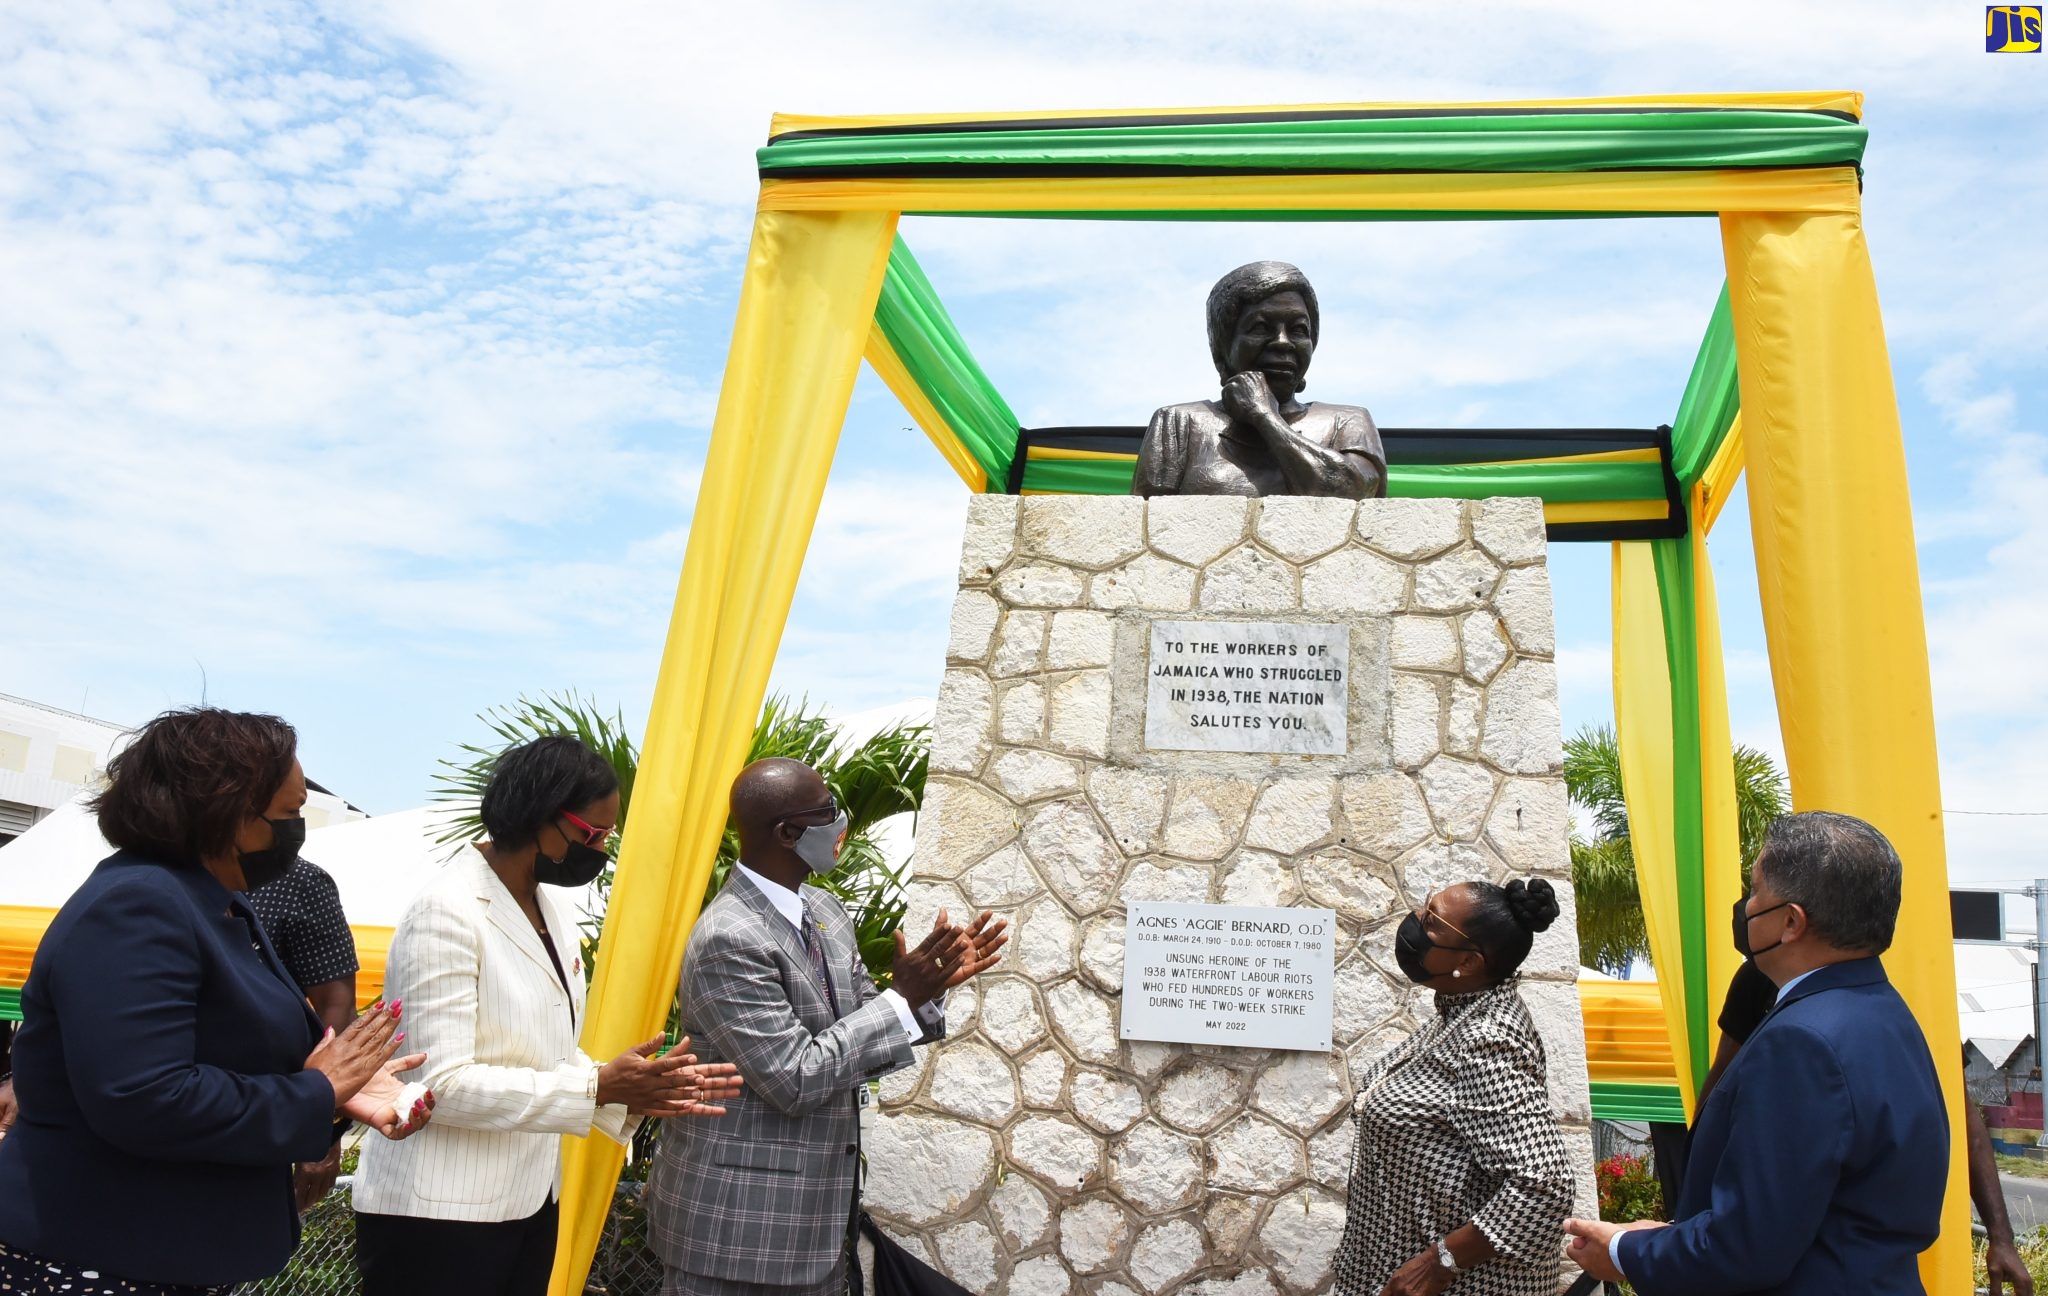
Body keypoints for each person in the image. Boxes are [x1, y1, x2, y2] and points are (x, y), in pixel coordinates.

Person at [0, 707, 430, 1295]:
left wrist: (343, 1093)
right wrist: (316, 1091)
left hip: (175, 1251)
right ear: (227, 815)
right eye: (290, 813)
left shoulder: (219, 904)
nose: (297, 832)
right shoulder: (138, 906)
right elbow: (144, 1097)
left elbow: (239, 1059)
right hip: (105, 1255)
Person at [353, 735, 742, 1296]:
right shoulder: (447, 911)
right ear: (538, 815)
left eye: (609, 834)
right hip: (438, 1215)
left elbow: (542, 1055)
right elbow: (438, 1084)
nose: (602, 849)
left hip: (530, 1202)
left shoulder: (550, 908)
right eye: (592, 833)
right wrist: (595, 1084)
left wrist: (625, 1087)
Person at [647, 757, 1010, 1296]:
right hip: (738, 1235)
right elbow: (794, 1079)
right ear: (787, 833)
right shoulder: (729, 938)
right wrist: (899, 999)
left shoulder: (824, 909)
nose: (842, 823)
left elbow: (863, 1016)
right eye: (827, 812)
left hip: (812, 1233)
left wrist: (927, 990)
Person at [1564, 811, 1949, 1294]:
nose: (1745, 907)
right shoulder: (1886, 1014)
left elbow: (1747, 1247)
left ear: (1790, 922)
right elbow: (1813, 1210)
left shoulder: (1802, 1041)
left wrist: (1621, 1250)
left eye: (1755, 889)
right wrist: (1675, 1235)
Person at [1681, 896, 2033, 1295]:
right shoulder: (1754, 984)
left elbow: (1965, 1120)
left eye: (1755, 906)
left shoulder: (1887, 991)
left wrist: (2001, 1237)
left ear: (1792, 923)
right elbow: (1720, 1080)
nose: (1743, 920)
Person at [1331, 878, 1575, 1296]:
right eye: (1427, 906)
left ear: (1468, 962)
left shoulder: (1490, 1037)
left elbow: (1546, 1184)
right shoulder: (1458, 1015)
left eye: (1433, 922)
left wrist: (1438, 1263)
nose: (1416, 922)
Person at [1131, 260, 1388, 499]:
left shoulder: (1347, 422)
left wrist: (1264, 416)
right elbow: (1146, 528)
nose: (1283, 342)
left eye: (1298, 329)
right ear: (1224, 347)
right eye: (1260, 328)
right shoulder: (1179, 423)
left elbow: (1352, 496)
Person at [246, 851, 363, 1212]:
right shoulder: (150, 878)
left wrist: (323, 1128)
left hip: (261, 1120)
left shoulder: (298, 882)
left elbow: (336, 1007)